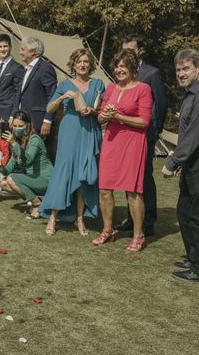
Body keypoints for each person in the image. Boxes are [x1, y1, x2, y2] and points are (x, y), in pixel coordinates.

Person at [39, 49, 105, 236]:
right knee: (64, 171)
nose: (82, 65)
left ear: (90, 64)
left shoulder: (99, 84)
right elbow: (49, 108)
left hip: (90, 131)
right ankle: (53, 216)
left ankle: (80, 218)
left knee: (84, 174)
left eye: (85, 61)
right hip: (70, 131)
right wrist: (61, 97)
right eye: (79, 61)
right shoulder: (64, 84)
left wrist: (93, 111)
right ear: (73, 64)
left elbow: (104, 112)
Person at [94, 49, 152, 251]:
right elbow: (100, 118)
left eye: (123, 65)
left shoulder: (143, 89)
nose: (119, 69)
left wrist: (118, 117)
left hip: (133, 143)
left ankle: (138, 235)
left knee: (133, 191)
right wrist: (106, 115)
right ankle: (107, 230)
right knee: (104, 188)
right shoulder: (111, 88)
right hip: (111, 142)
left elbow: (144, 121)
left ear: (133, 68)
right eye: (117, 65)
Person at [117, 35, 168, 236]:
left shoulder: (152, 73)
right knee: (129, 177)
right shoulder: (121, 72)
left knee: (144, 177)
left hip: (146, 133)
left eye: (130, 50)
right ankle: (132, 218)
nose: (126, 54)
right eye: (124, 50)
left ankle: (148, 221)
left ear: (140, 51)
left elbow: (161, 103)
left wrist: (155, 130)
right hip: (126, 134)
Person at [162, 48, 199, 282]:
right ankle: (193, 257)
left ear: (197, 69)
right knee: (184, 213)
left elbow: (194, 135)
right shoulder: (189, 95)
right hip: (190, 165)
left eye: (186, 68)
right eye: (178, 69)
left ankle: (197, 267)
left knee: (194, 217)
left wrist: (173, 161)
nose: (181, 73)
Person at [0, 110, 53, 214]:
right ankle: (38, 201)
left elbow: (28, 161)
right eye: (15, 126)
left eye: (20, 126)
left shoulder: (34, 139)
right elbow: (8, 170)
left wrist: (14, 144)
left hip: (45, 179)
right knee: (4, 184)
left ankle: (37, 204)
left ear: (27, 125)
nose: (17, 129)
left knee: (11, 179)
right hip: (33, 179)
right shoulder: (18, 142)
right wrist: (1, 167)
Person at [18, 36, 58, 141]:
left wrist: (48, 120)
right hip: (25, 121)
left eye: (23, 49)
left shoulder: (45, 68)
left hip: (39, 122)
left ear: (33, 52)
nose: (20, 52)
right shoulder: (26, 69)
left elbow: (53, 95)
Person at [0, 34, 24, 129]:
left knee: (6, 143)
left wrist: (13, 115)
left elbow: (18, 94)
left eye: (5, 46)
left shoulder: (17, 68)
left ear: (10, 47)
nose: (2, 49)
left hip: (8, 114)